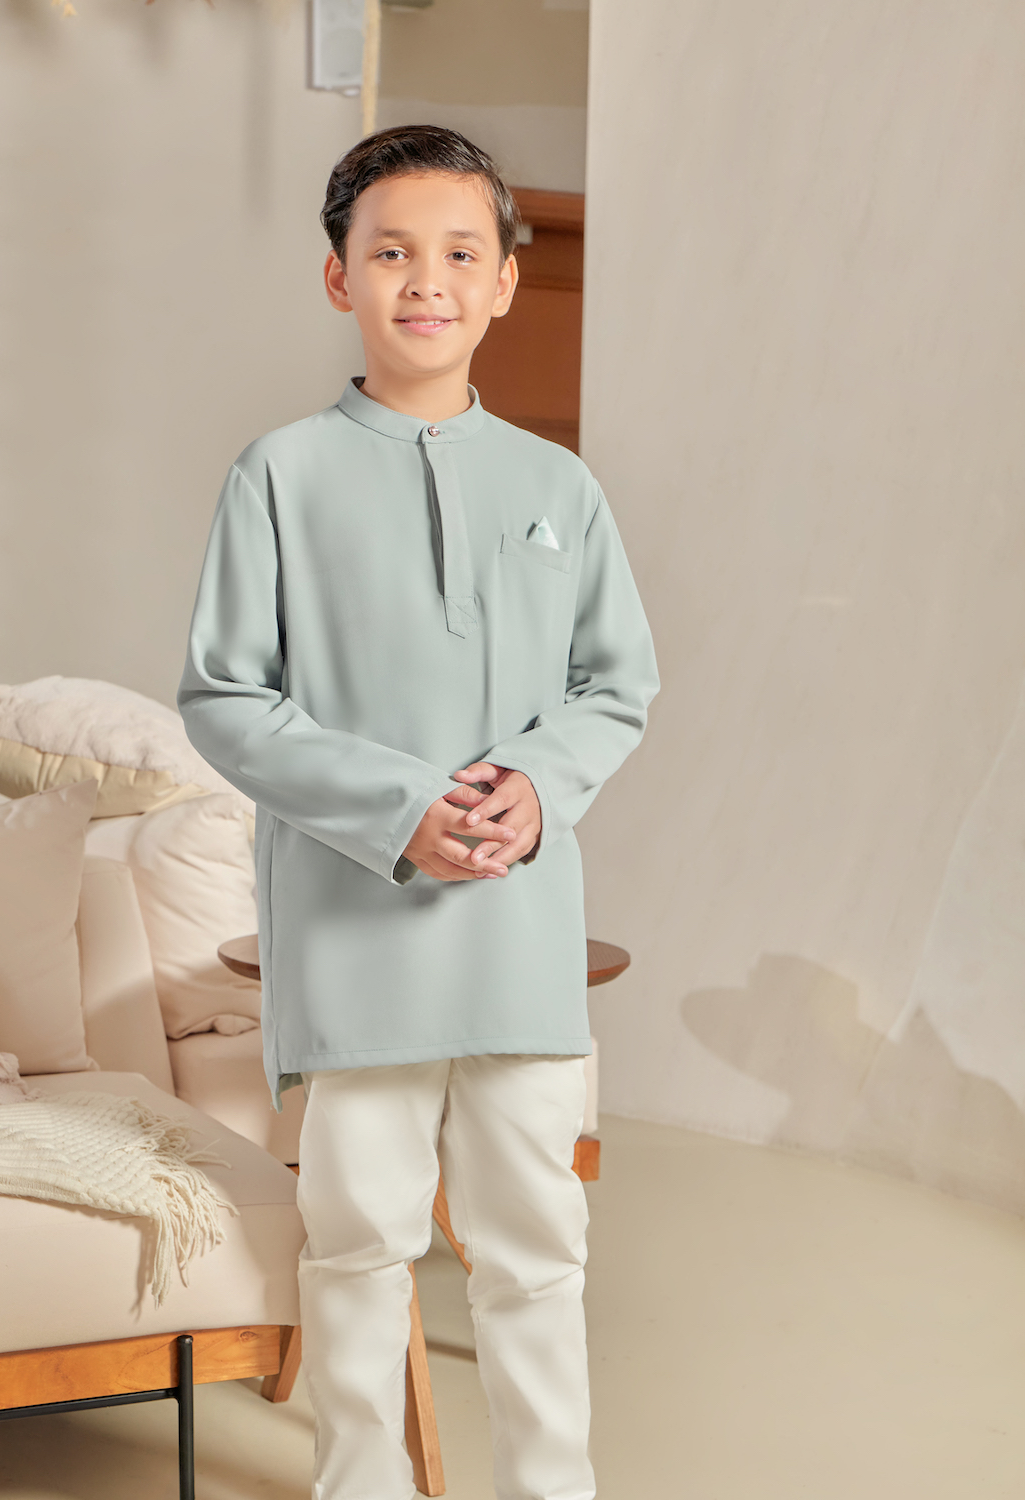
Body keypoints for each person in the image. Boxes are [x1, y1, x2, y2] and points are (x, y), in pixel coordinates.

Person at [178, 123, 659, 1500]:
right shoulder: (279, 474)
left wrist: (536, 786)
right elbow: (224, 697)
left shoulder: (561, 487)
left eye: (459, 253)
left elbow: (617, 685)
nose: (426, 281)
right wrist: (401, 810)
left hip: (517, 932)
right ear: (340, 277)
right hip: (353, 933)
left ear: (505, 280)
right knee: (356, 1245)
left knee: (537, 1249)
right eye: (391, 252)